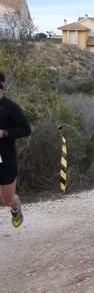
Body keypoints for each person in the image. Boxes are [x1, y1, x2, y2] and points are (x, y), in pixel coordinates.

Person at [0, 72, 32, 228]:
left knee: (7, 199)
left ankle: (15, 208)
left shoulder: (10, 107)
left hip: (5, 160)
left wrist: (5, 133)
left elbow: (26, 130)